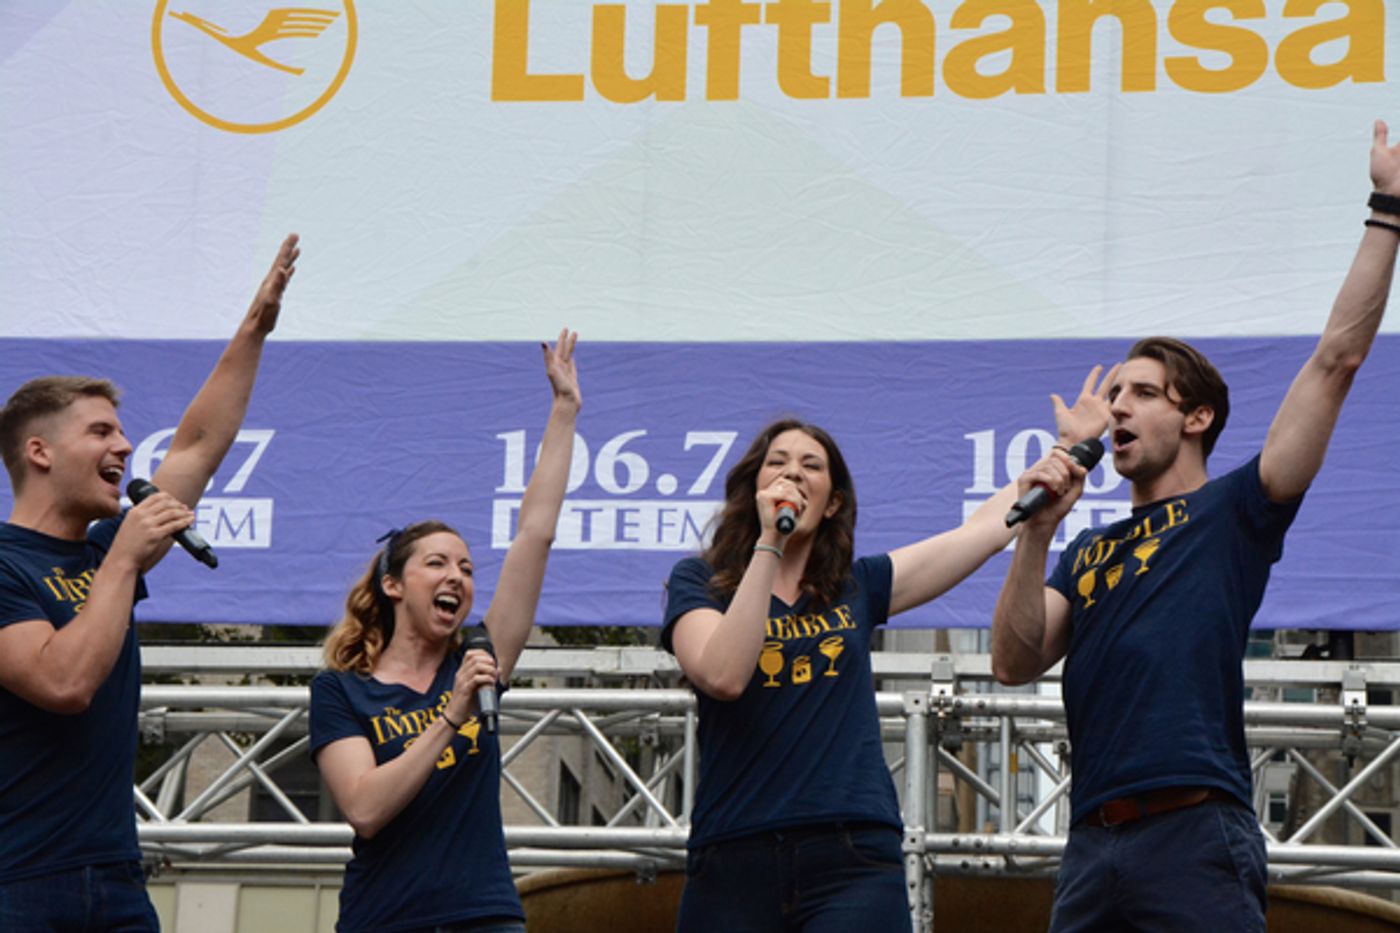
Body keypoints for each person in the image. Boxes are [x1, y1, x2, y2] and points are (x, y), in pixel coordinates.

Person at [990, 120, 1400, 932]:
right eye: (1115, 399)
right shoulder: (1087, 547)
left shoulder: (1234, 509)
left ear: (1198, 414)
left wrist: (1387, 209)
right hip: (1091, 845)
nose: (1119, 410)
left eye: (1142, 393)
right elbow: (1012, 660)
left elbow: (1335, 361)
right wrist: (1035, 532)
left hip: (1194, 835)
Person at [661, 413, 1067, 932]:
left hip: (850, 858)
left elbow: (982, 531)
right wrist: (769, 544)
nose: (793, 473)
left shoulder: (859, 586)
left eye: (812, 465)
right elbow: (723, 674)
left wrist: (1066, 450)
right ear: (754, 486)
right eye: (778, 463)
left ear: (831, 502)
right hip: (733, 854)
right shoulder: (698, 581)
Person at [0, 234, 301, 932]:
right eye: (101, 431)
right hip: (17, 881)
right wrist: (125, 562)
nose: (126, 448)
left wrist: (255, 327)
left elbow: (197, 444)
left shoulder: (107, 551)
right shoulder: (14, 563)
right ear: (39, 451)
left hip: (115, 876)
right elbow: (63, 682)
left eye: (124, 434)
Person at [309, 331, 580, 933]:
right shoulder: (341, 693)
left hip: (483, 916)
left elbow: (535, 534)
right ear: (394, 585)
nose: (456, 575)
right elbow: (366, 808)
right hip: (385, 919)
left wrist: (564, 412)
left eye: (466, 568)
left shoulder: (481, 658)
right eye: (437, 563)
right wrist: (450, 715)